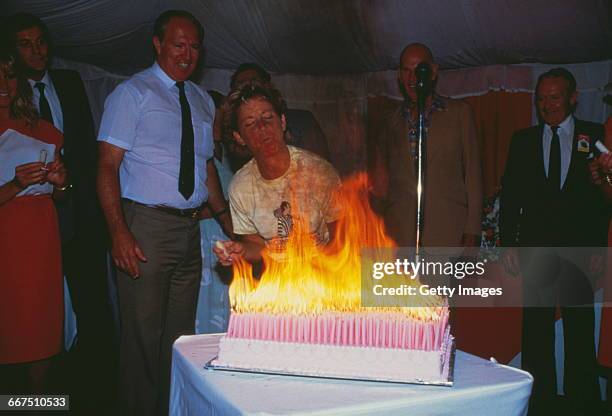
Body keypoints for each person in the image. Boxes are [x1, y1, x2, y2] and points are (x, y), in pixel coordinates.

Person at [96, 10, 231, 415]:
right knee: (140, 341)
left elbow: (204, 167)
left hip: (190, 232)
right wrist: (118, 232)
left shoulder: (202, 100)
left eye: (194, 46)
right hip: (146, 228)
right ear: (157, 44)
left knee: (179, 341)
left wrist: (229, 223)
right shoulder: (131, 94)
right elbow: (106, 165)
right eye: (178, 44)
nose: (187, 53)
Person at [5, 12, 116, 405]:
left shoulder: (69, 82)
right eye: (25, 44)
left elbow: (86, 152)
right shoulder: (10, 106)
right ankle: (23, 401)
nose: (36, 51)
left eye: (41, 41)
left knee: (87, 306)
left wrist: (74, 192)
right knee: (29, 318)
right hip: (22, 229)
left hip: (75, 213)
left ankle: (87, 395)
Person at [500, 67, 608, 415]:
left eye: (555, 97)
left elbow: (602, 202)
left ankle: (584, 406)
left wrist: (598, 248)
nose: (547, 104)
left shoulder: (595, 138)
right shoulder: (522, 140)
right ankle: (539, 405)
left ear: (574, 98)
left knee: (579, 335)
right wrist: (509, 244)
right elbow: (510, 196)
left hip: (579, 252)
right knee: (536, 336)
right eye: (541, 98)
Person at [214, 80, 340, 266]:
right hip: (279, 282)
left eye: (268, 117)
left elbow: (342, 235)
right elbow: (256, 245)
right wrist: (242, 250)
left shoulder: (318, 172)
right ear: (239, 137)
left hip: (322, 276)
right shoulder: (240, 187)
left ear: (282, 122)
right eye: (250, 124)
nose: (262, 128)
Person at [0, 52, 68, 393]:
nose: (3, 85)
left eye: (10, 76)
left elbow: (61, 194)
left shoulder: (44, 132)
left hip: (41, 234)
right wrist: (15, 185)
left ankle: (36, 404)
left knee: (41, 322)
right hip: (5, 235)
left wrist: (61, 182)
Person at [370, 43, 482, 249]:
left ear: (433, 72)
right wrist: (373, 227)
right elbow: (380, 183)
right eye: (406, 71)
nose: (413, 78)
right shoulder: (390, 121)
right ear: (399, 75)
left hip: (447, 233)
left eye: (419, 70)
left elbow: (473, 176)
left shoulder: (459, 114)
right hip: (399, 236)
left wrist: (473, 230)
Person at [227, 62, 331, 167]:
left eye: (254, 81)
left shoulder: (303, 120)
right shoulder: (235, 139)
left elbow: (323, 164)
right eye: (241, 84)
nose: (248, 87)